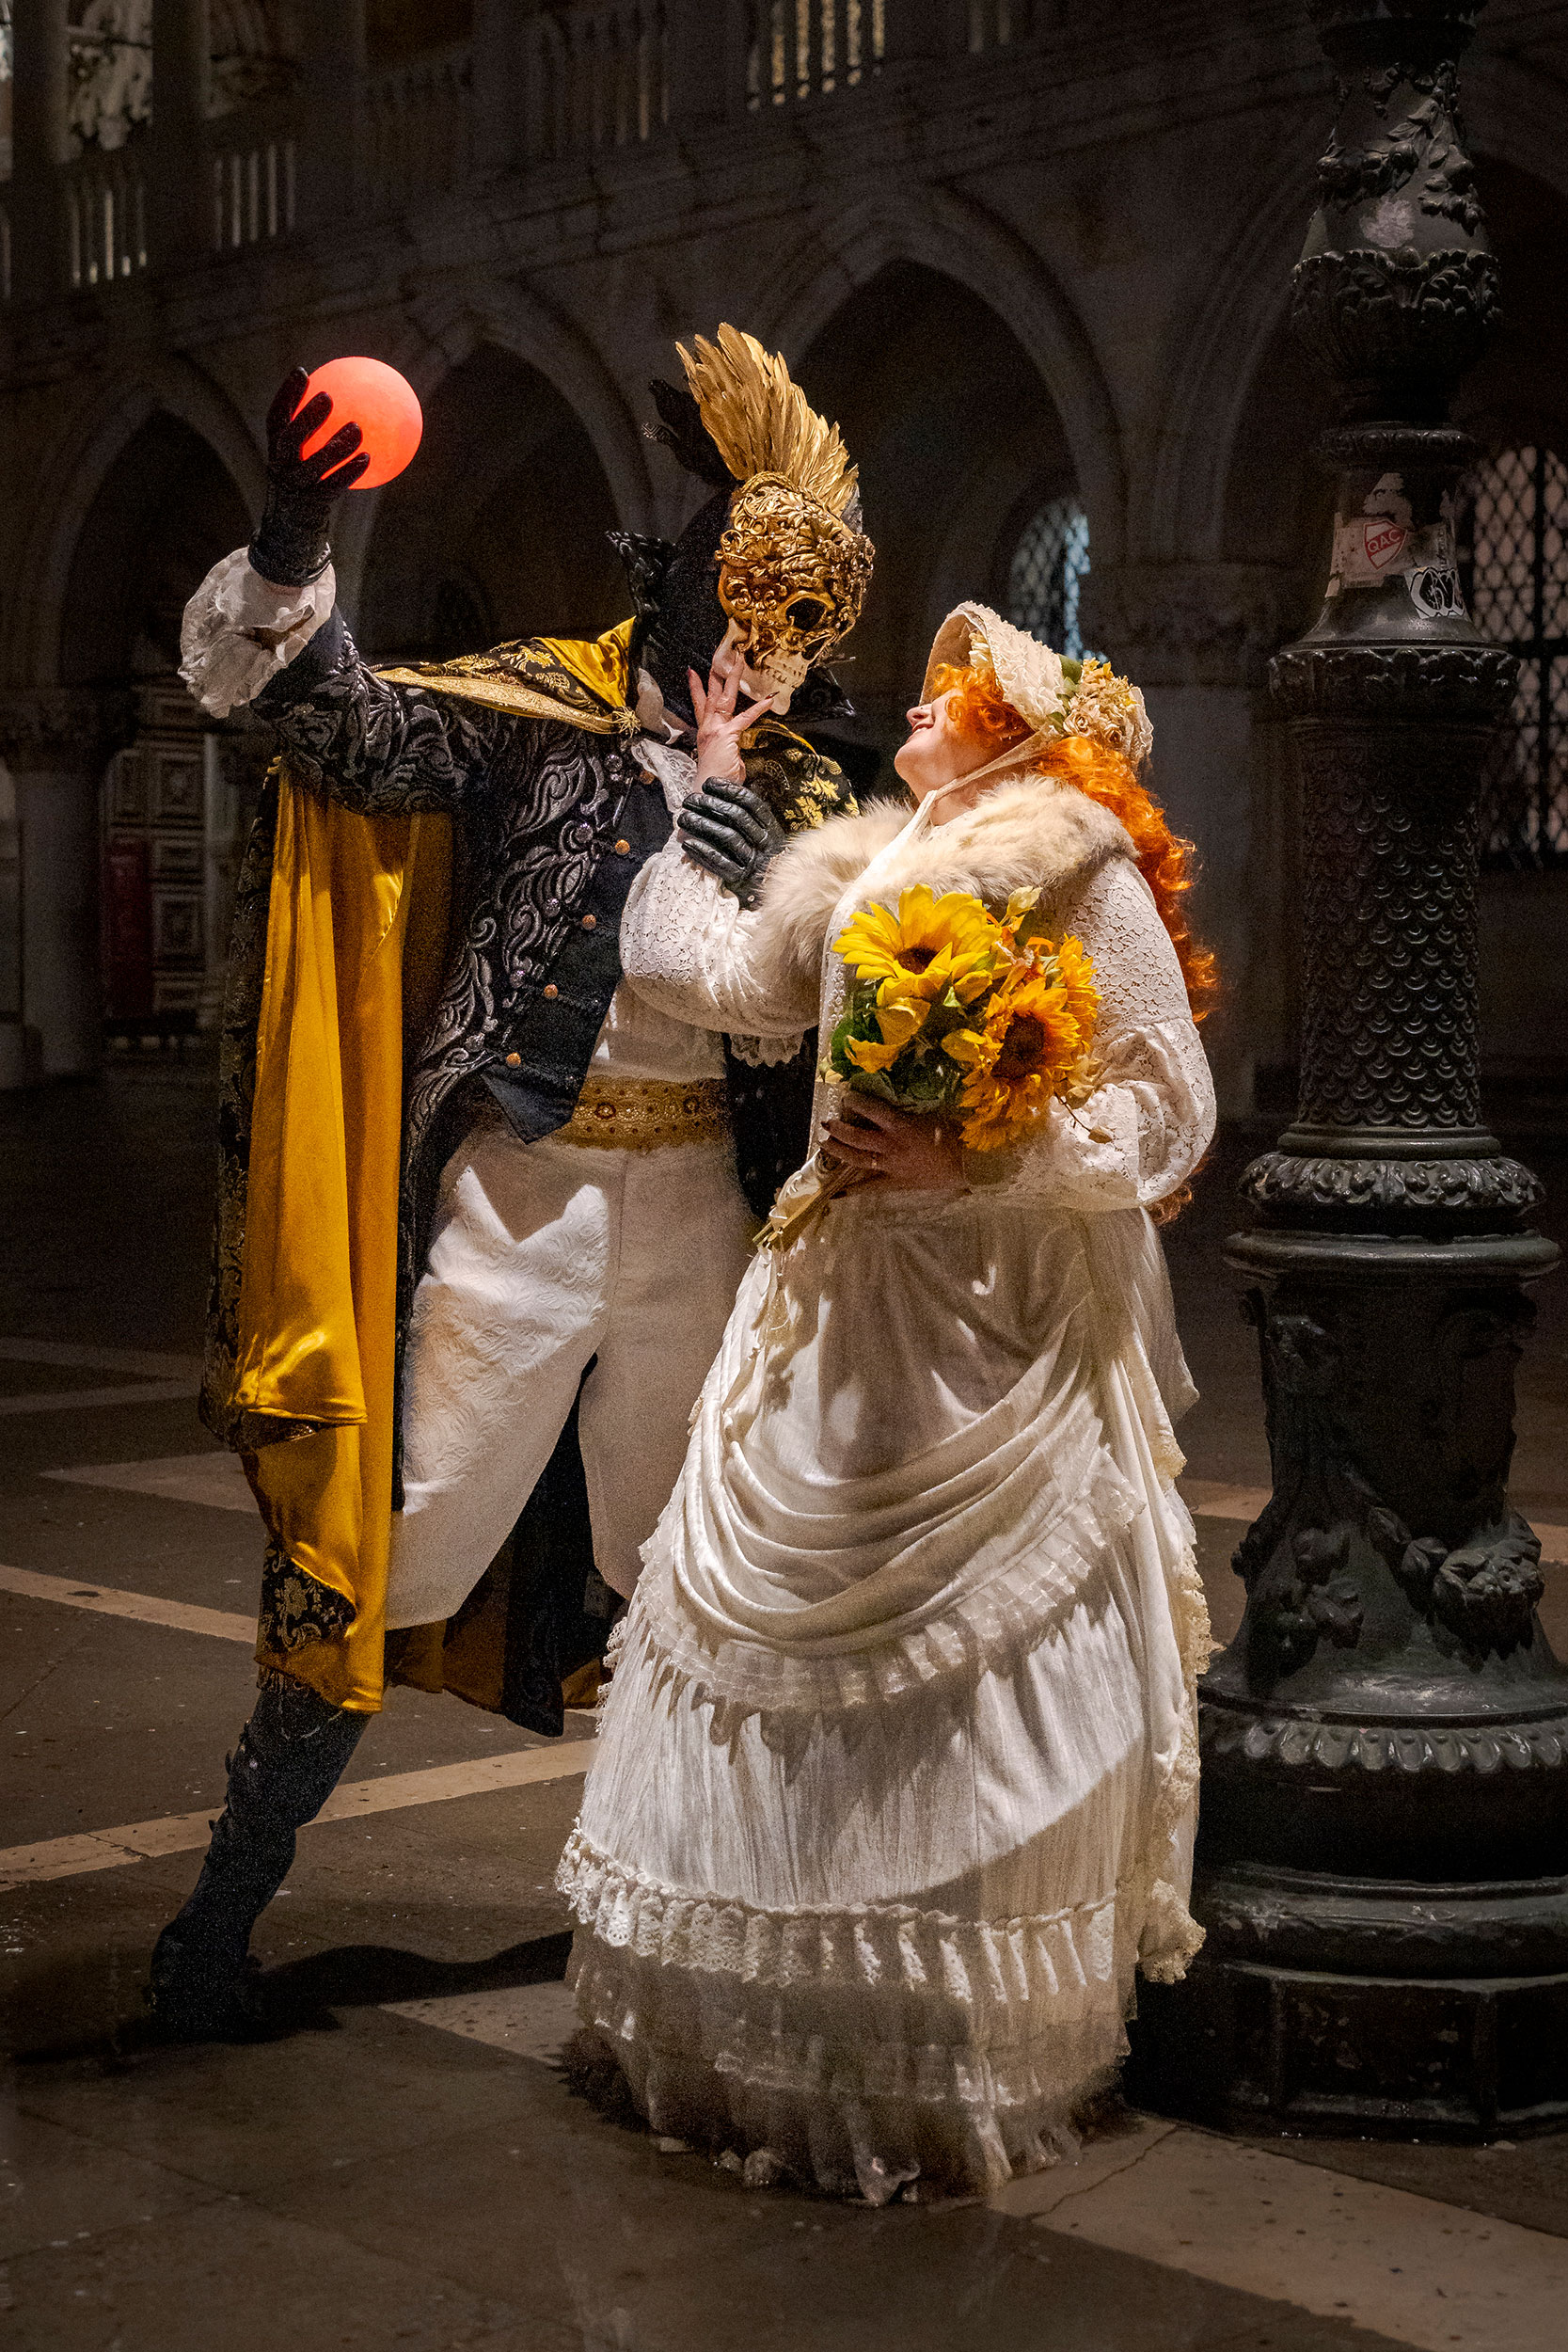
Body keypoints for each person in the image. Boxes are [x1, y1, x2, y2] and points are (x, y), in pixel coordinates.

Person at [148, 328, 875, 2038]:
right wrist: (293, 541)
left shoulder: (806, 786)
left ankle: (689, 1910)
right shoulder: (538, 718)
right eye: (737, 619)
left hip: (704, 1215)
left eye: (791, 640)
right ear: (675, 584)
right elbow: (336, 728)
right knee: (393, 1547)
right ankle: (218, 1916)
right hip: (519, 1199)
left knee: (692, 1572)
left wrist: (785, 881)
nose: (754, 664)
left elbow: (832, 1011)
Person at [559, 602, 1219, 2200]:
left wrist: (979, 1155)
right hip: (843, 1290)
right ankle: (770, 2031)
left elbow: (1170, 1101)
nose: (918, 704)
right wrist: (710, 788)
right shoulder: (869, 861)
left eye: (954, 690)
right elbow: (722, 977)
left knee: (964, 1668)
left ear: (1017, 727)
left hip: (990, 1305)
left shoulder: (1074, 863)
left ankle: (945, 2048)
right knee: (780, 1644)